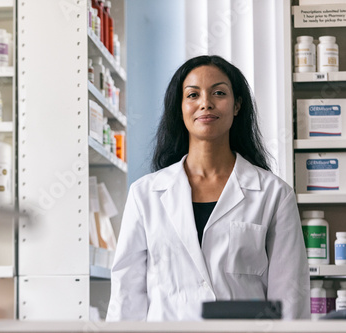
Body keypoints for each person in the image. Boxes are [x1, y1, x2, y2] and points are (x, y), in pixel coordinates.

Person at [106, 55, 310, 321]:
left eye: (219, 93)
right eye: (193, 95)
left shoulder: (274, 195)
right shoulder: (145, 194)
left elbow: (290, 295)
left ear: (237, 105)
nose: (206, 103)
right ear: (179, 107)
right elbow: (127, 295)